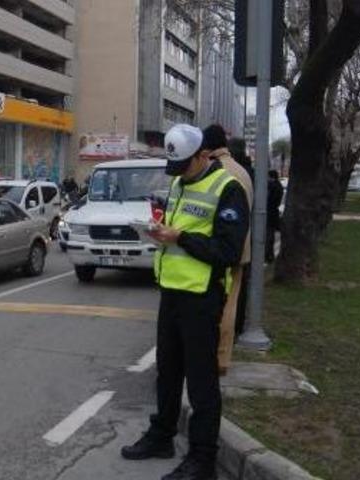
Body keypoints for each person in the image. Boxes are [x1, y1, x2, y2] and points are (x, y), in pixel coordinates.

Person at [121, 124, 249, 480]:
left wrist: (179, 237)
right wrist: (158, 233)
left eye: (184, 165)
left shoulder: (229, 189)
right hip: (173, 293)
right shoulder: (179, 182)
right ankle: (161, 435)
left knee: (202, 382)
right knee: (168, 371)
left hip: (202, 297)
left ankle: (202, 459)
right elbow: (178, 235)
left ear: (203, 155)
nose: (178, 174)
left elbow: (227, 251)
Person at [201, 125, 254, 376]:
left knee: (214, 305)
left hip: (216, 249)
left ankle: (213, 355)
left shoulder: (214, 171)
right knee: (231, 301)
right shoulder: (243, 171)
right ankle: (223, 357)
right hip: (241, 248)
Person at [266, 170, 284, 263]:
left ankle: (268, 256)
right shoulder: (279, 186)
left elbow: (269, 201)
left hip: (270, 215)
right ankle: (269, 255)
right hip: (273, 215)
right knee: (270, 236)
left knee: (268, 237)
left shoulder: (272, 187)